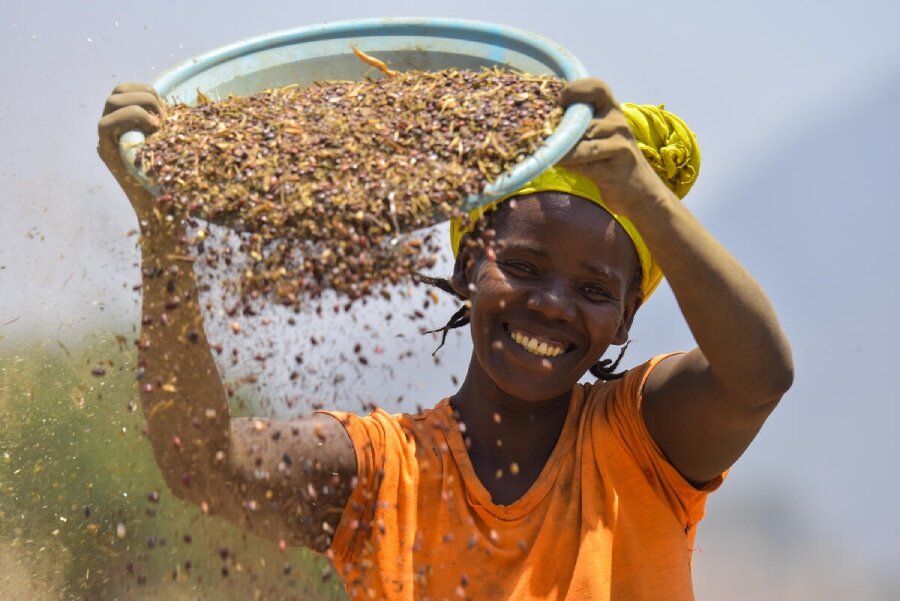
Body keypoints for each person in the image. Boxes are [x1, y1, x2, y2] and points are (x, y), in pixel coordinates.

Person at [97, 78, 793, 600]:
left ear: (627, 318)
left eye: (594, 289)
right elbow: (203, 460)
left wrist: (642, 193)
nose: (551, 305)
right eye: (521, 267)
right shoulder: (382, 472)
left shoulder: (643, 442)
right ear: (468, 267)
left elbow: (760, 375)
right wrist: (162, 225)